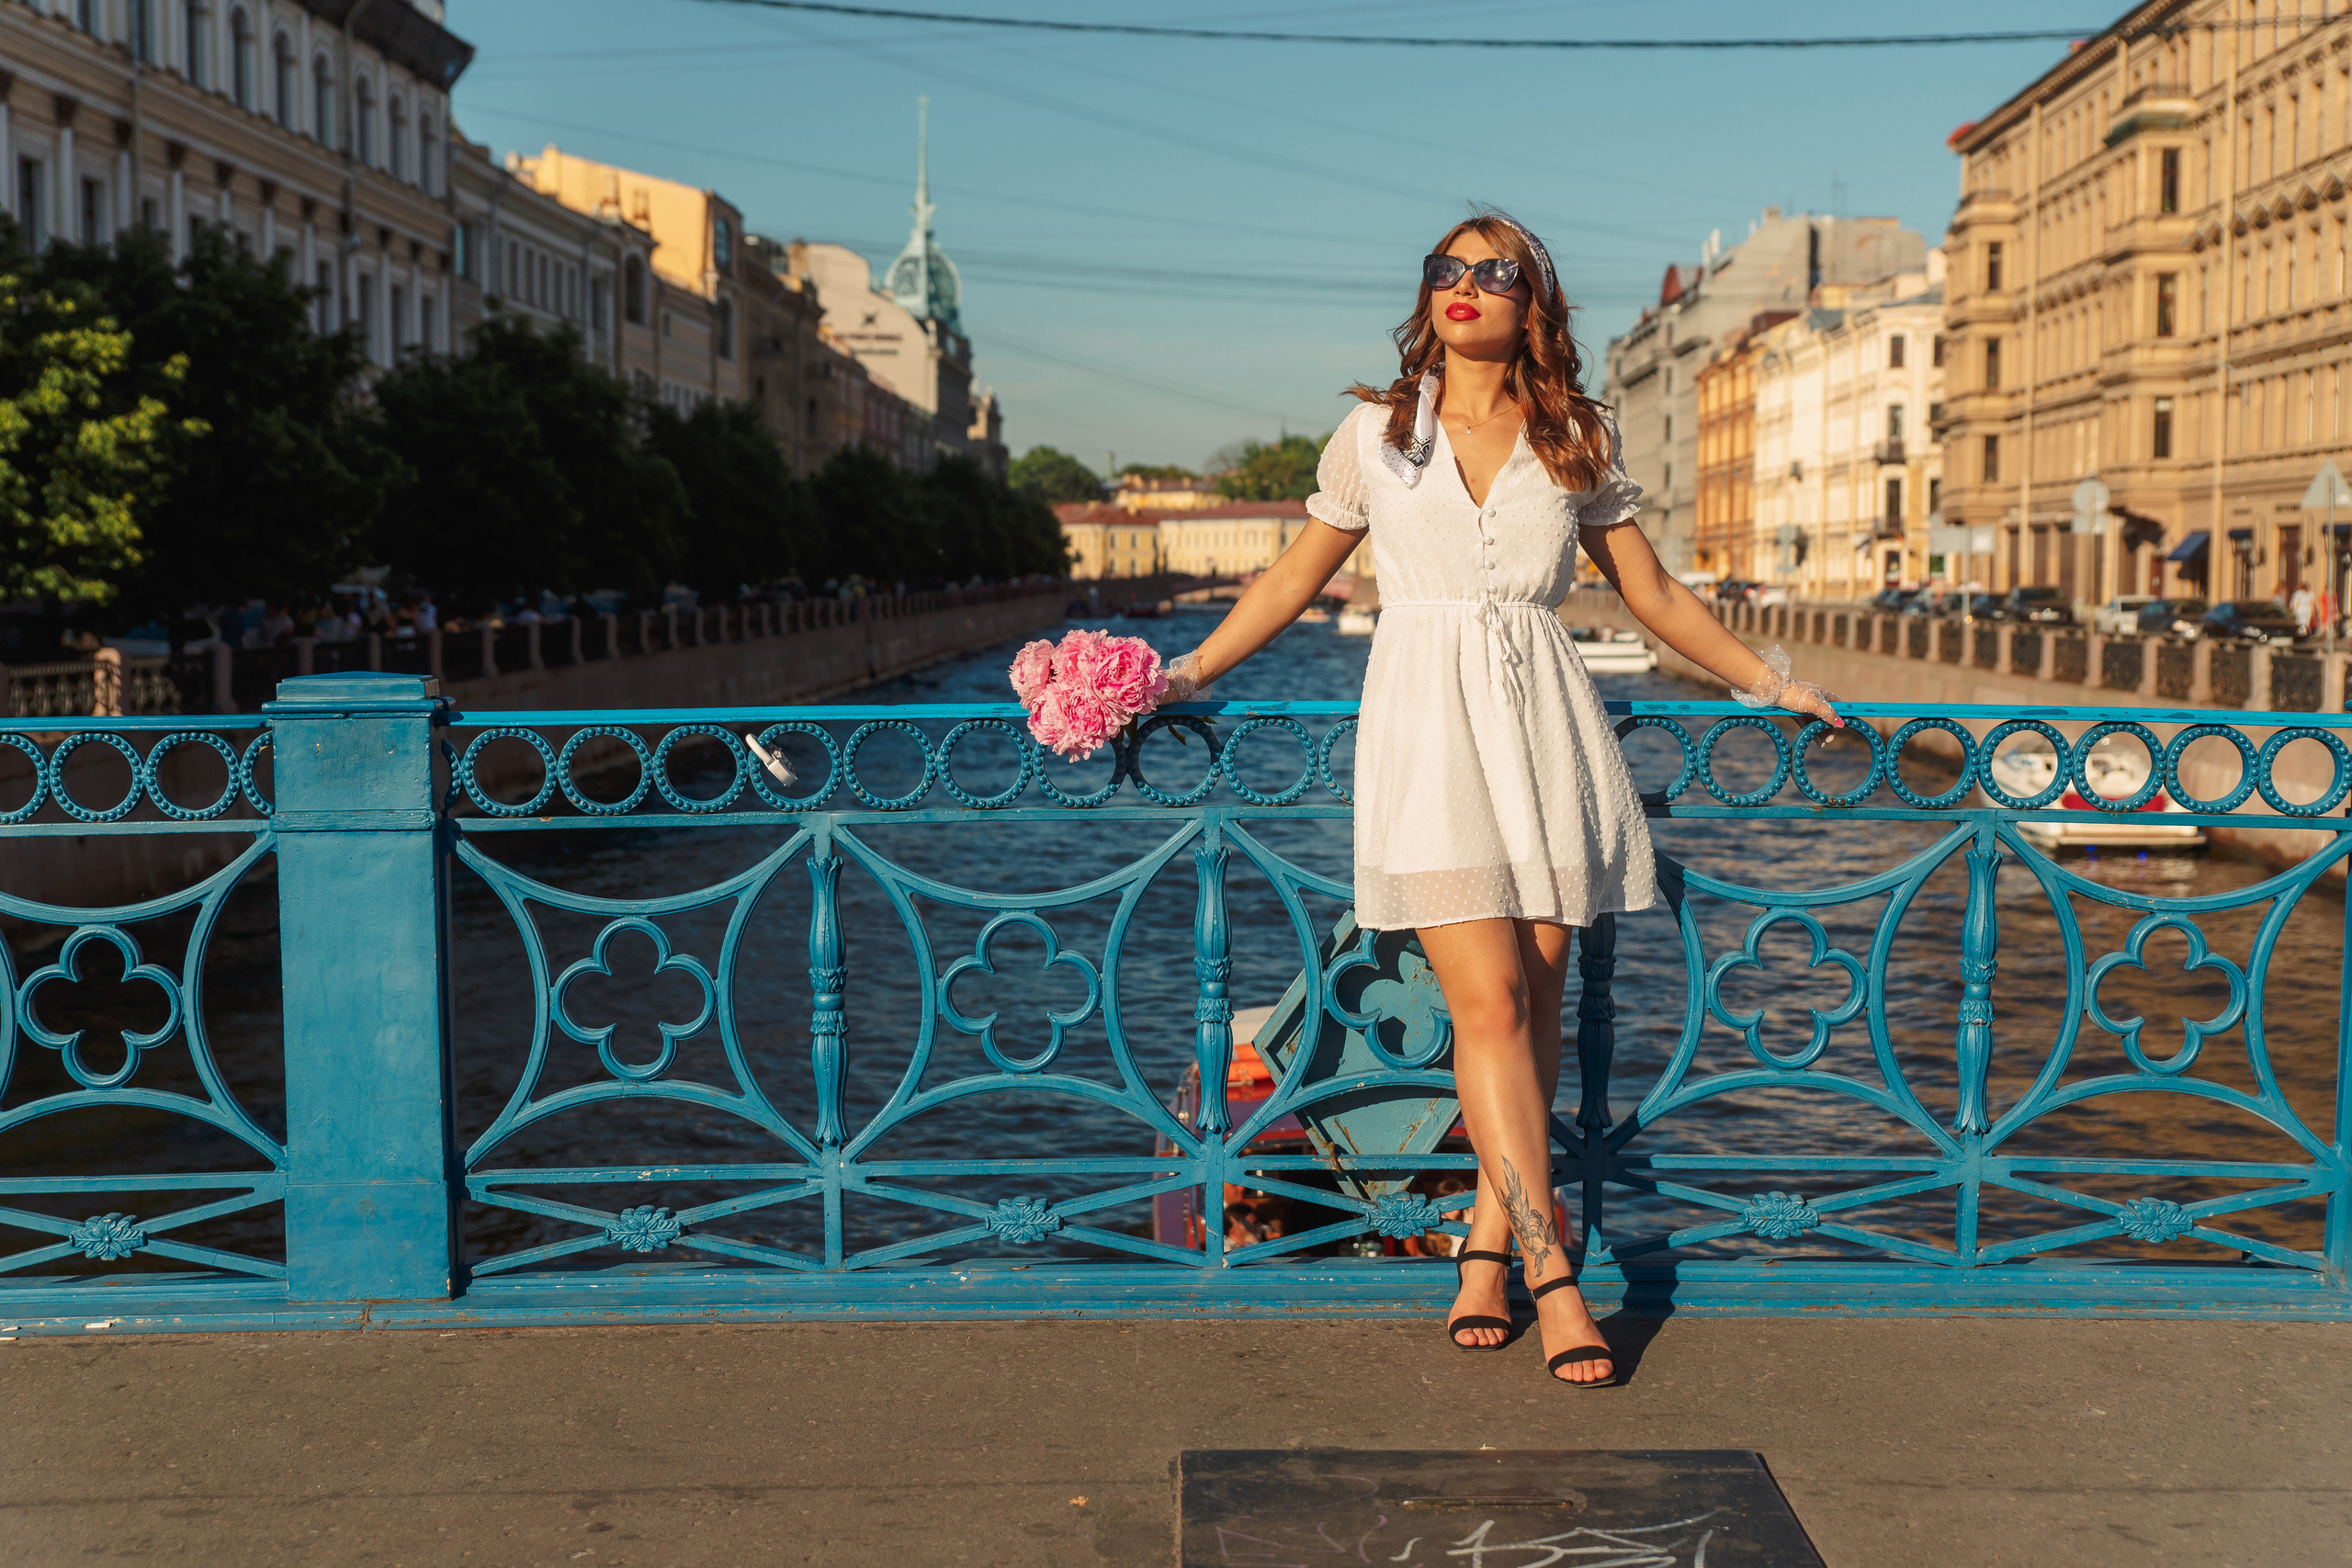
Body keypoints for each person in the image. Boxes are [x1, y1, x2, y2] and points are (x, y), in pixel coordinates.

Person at [1155, 209, 1839, 1388]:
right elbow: (1288, 578)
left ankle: (1480, 1255)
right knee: (1486, 1009)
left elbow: (1653, 594)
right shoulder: (1372, 435)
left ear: (1534, 305)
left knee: (1529, 1005)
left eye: (1494, 272)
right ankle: (1551, 1271)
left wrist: (1769, 683)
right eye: (1445, 270)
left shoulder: (1574, 431)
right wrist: (1178, 673)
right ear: (1424, 295)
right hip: (1424, 733)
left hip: (1545, 732)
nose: (1464, 286)